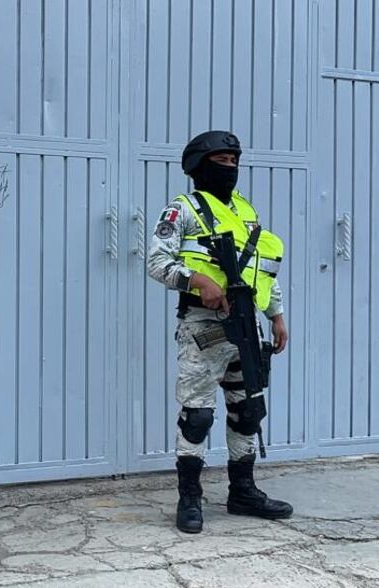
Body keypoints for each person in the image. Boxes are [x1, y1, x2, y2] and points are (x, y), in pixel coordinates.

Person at [146, 130, 293, 534]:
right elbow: (156, 262)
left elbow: (261, 269)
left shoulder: (244, 211)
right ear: (199, 166)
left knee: (247, 411)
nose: (230, 168)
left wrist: (276, 315)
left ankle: (242, 492)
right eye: (221, 161)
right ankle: (189, 497)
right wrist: (197, 281)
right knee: (197, 416)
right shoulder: (182, 209)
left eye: (234, 161)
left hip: (246, 325)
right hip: (203, 328)